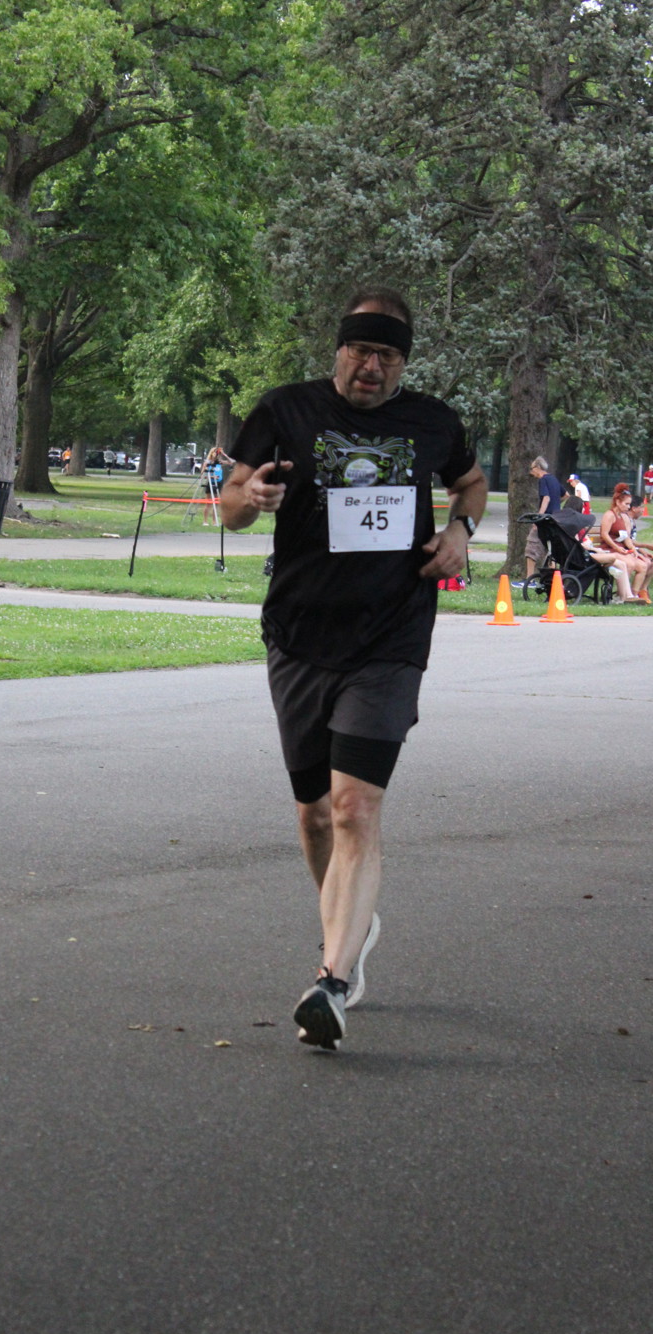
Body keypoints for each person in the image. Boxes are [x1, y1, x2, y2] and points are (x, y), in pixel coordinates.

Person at [220, 286, 487, 1052]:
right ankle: (350, 926)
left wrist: (461, 532)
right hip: (301, 635)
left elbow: (470, 483)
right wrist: (253, 495)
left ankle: (332, 978)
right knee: (313, 813)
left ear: (404, 362)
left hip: (390, 638)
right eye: (362, 350)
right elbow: (233, 503)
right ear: (339, 349)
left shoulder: (432, 422)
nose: (372, 366)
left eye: (388, 355)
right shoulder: (287, 410)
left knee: (354, 808)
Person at [599, 485, 651, 601]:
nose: (628, 507)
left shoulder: (623, 517)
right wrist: (616, 547)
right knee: (630, 564)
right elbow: (604, 535)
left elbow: (626, 537)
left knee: (642, 565)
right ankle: (621, 595)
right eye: (626, 504)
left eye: (629, 504)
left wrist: (633, 549)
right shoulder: (609, 515)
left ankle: (634, 594)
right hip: (609, 549)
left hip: (621, 548)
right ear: (618, 502)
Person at [524, 457, 567, 579]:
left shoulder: (543, 480)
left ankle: (529, 578)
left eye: (532, 469)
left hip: (545, 519)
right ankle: (552, 578)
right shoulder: (554, 479)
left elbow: (546, 498)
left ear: (538, 467)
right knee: (551, 549)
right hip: (555, 519)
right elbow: (566, 495)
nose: (531, 472)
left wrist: (538, 518)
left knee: (531, 546)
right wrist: (556, 503)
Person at [199, 445, 234, 523]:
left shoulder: (219, 462)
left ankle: (214, 521)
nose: (216, 454)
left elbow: (231, 462)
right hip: (210, 483)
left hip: (219, 483)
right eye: (215, 452)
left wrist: (224, 454)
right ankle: (205, 521)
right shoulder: (207, 462)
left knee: (216, 503)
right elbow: (203, 475)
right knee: (208, 503)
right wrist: (212, 477)